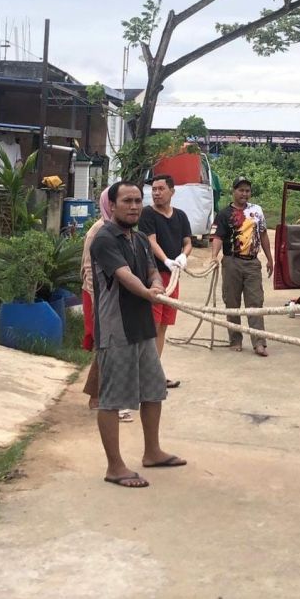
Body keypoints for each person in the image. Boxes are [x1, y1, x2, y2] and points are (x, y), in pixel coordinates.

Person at [90, 181, 186, 488]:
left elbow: (150, 269)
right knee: (112, 399)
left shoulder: (140, 238)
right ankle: (114, 466)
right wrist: (149, 293)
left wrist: (156, 283)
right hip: (117, 329)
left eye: (137, 201)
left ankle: (152, 451)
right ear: (113, 205)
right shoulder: (104, 238)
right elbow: (124, 276)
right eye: (127, 201)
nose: (134, 206)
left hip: (143, 326)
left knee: (153, 390)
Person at [80, 186, 133, 421]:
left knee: (108, 347)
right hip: (98, 296)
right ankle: (107, 399)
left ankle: (97, 396)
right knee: (107, 346)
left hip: (115, 297)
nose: (129, 206)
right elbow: (89, 270)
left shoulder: (120, 230)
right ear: (109, 203)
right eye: (123, 201)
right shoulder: (100, 231)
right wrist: (99, 300)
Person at [139, 174, 193, 388]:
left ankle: (154, 372)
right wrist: (166, 260)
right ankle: (146, 374)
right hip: (155, 276)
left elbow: (188, 242)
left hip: (173, 277)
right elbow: (151, 241)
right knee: (152, 324)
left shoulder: (180, 216)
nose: (156, 192)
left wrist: (183, 256)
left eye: (161, 188)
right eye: (154, 189)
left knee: (163, 326)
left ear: (172, 191)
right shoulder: (147, 214)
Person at [210, 176, 273, 357]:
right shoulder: (223, 214)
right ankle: (235, 339)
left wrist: (270, 258)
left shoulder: (257, 211)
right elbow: (217, 237)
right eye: (241, 190)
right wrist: (214, 256)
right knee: (232, 302)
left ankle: (259, 342)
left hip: (252, 262)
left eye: (247, 190)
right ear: (234, 191)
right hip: (231, 262)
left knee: (255, 302)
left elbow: (263, 235)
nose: (244, 193)